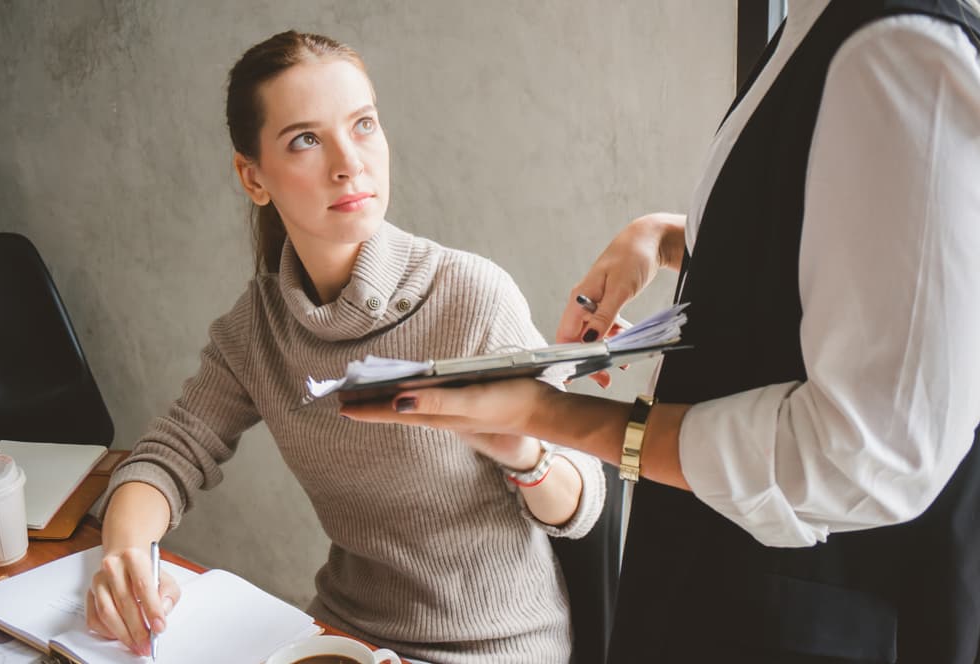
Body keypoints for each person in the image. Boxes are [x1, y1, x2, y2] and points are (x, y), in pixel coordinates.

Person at [343, 1, 980, 662]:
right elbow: (842, 253)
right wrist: (667, 237)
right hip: (714, 575)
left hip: (799, 618)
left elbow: (871, 455)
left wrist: (553, 415)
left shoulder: (903, 53)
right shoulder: (817, 25)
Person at [84, 31, 606, 664]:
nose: (348, 162)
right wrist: (125, 555)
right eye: (306, 139)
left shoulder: (471, 295)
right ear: (253, 177)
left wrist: (526, 455)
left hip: (495, 646)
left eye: (363, 125)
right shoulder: (258, 329)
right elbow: (168, 456)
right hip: (345, 636)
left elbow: (584, 502)